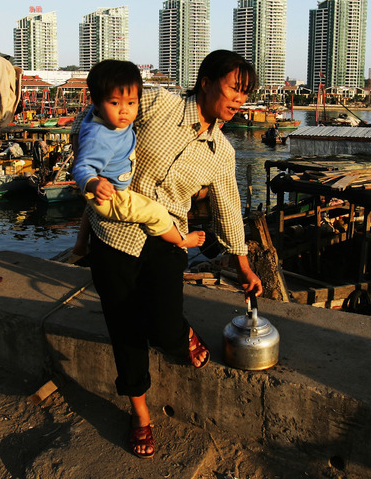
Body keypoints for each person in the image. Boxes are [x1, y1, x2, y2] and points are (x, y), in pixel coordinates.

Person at [71, 50, 263, 459]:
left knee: (164, 327)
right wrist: (93, 171)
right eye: (234, 89)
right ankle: (140, 413)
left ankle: (181, 336)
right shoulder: (158, 103)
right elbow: (98, 114)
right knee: (123, 326)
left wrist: (243, 264)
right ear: (207, 81)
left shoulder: (221, 152)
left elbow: (229, 207)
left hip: (167, 235)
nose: (238, 101)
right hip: (115, 231)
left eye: (245, 95)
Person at [71, 60, 206, 252]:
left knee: (90, 206)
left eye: (131, 103)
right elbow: (81, 167)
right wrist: (93, 183)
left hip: (107, 185)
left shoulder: (104, 116)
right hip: (114, 195)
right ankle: (181, 240)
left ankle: (80, 244)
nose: (124, 110)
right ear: (97, 103)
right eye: (115, 103)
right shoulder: (99, 137)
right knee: (157, 212)